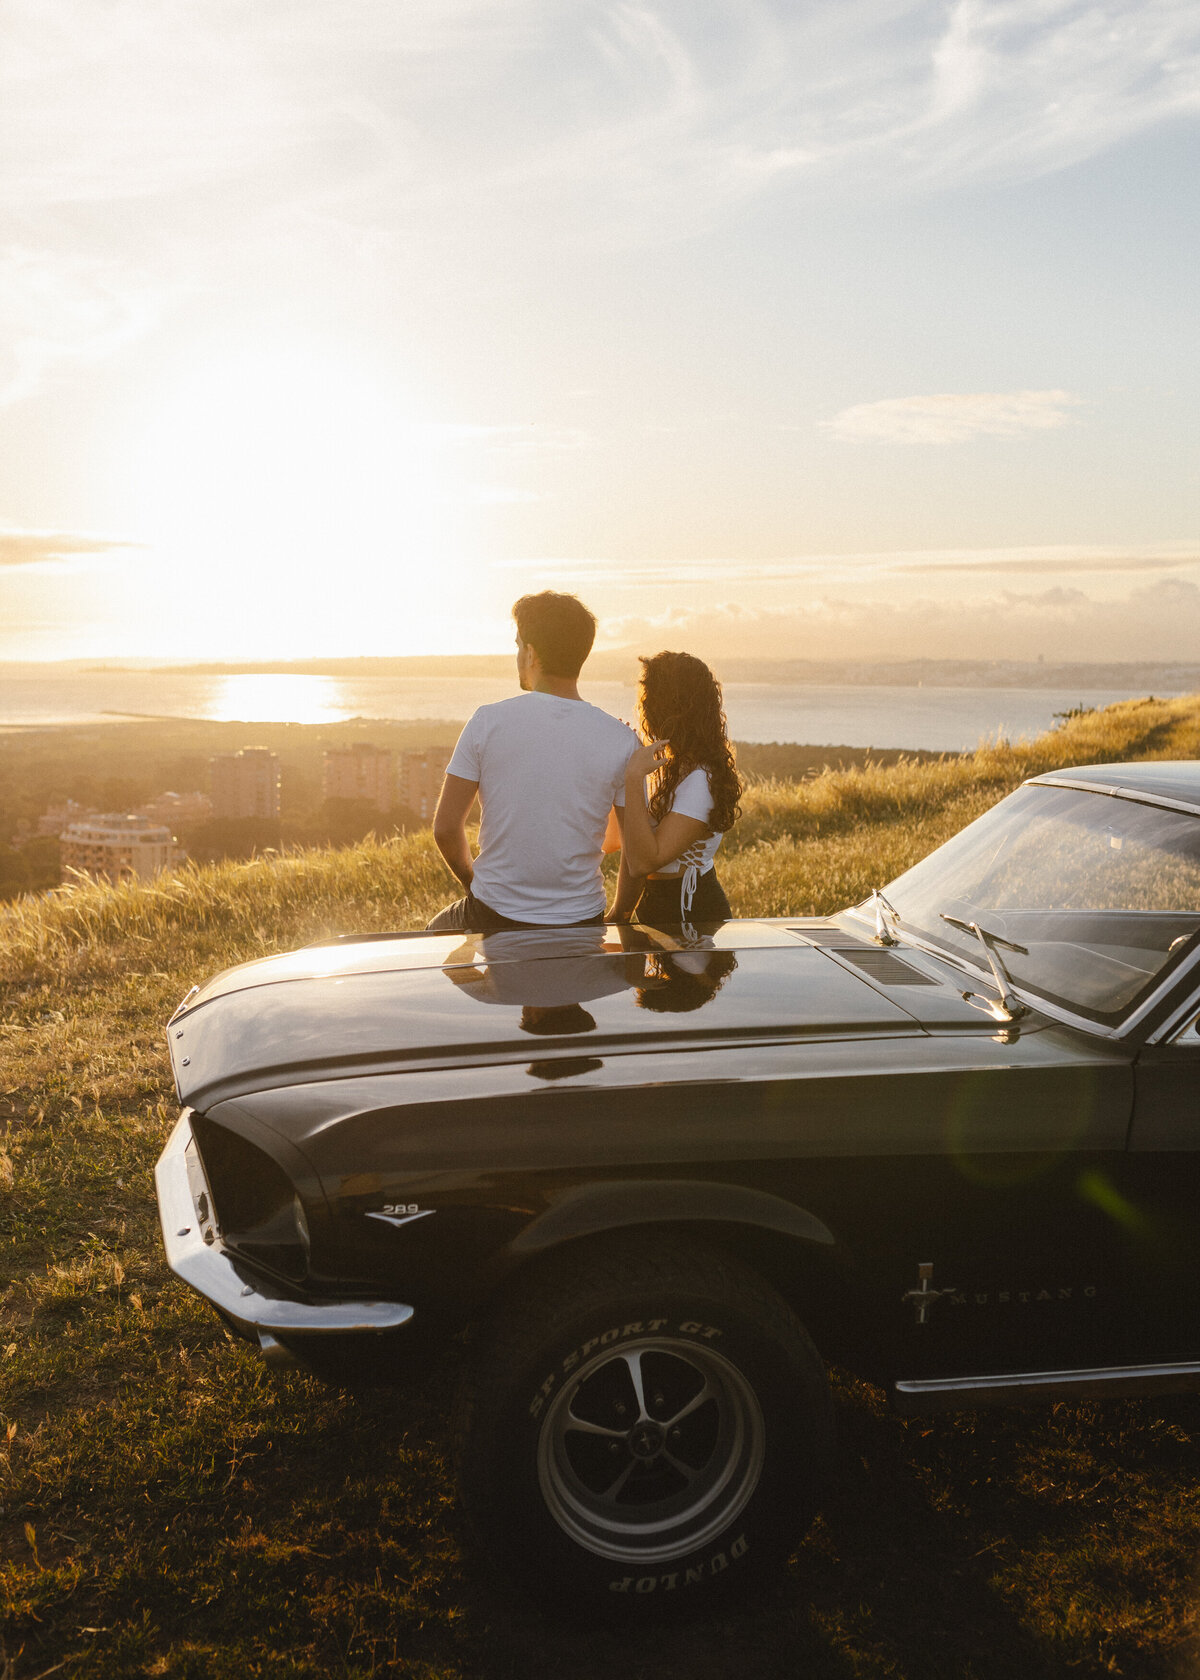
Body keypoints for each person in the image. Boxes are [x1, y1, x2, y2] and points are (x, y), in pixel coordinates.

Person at [427, 591, 641, 932]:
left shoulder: (487, 722)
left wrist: (474, 885)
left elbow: (445, 828)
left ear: (530, 653)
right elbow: (635, 849)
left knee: (427, 951)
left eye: (517, 645)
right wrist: (620, 913)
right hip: (583, 920)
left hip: (493, 914)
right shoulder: (622, 740)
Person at [616, 650, 742, 927]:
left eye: (648, 698)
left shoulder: (700, 779)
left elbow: (643, 862)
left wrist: (633, 775)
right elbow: (625, 842)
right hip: (657, 905)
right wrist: (620, 913)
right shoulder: (670, 766)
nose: (643, 707)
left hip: (690, 914)